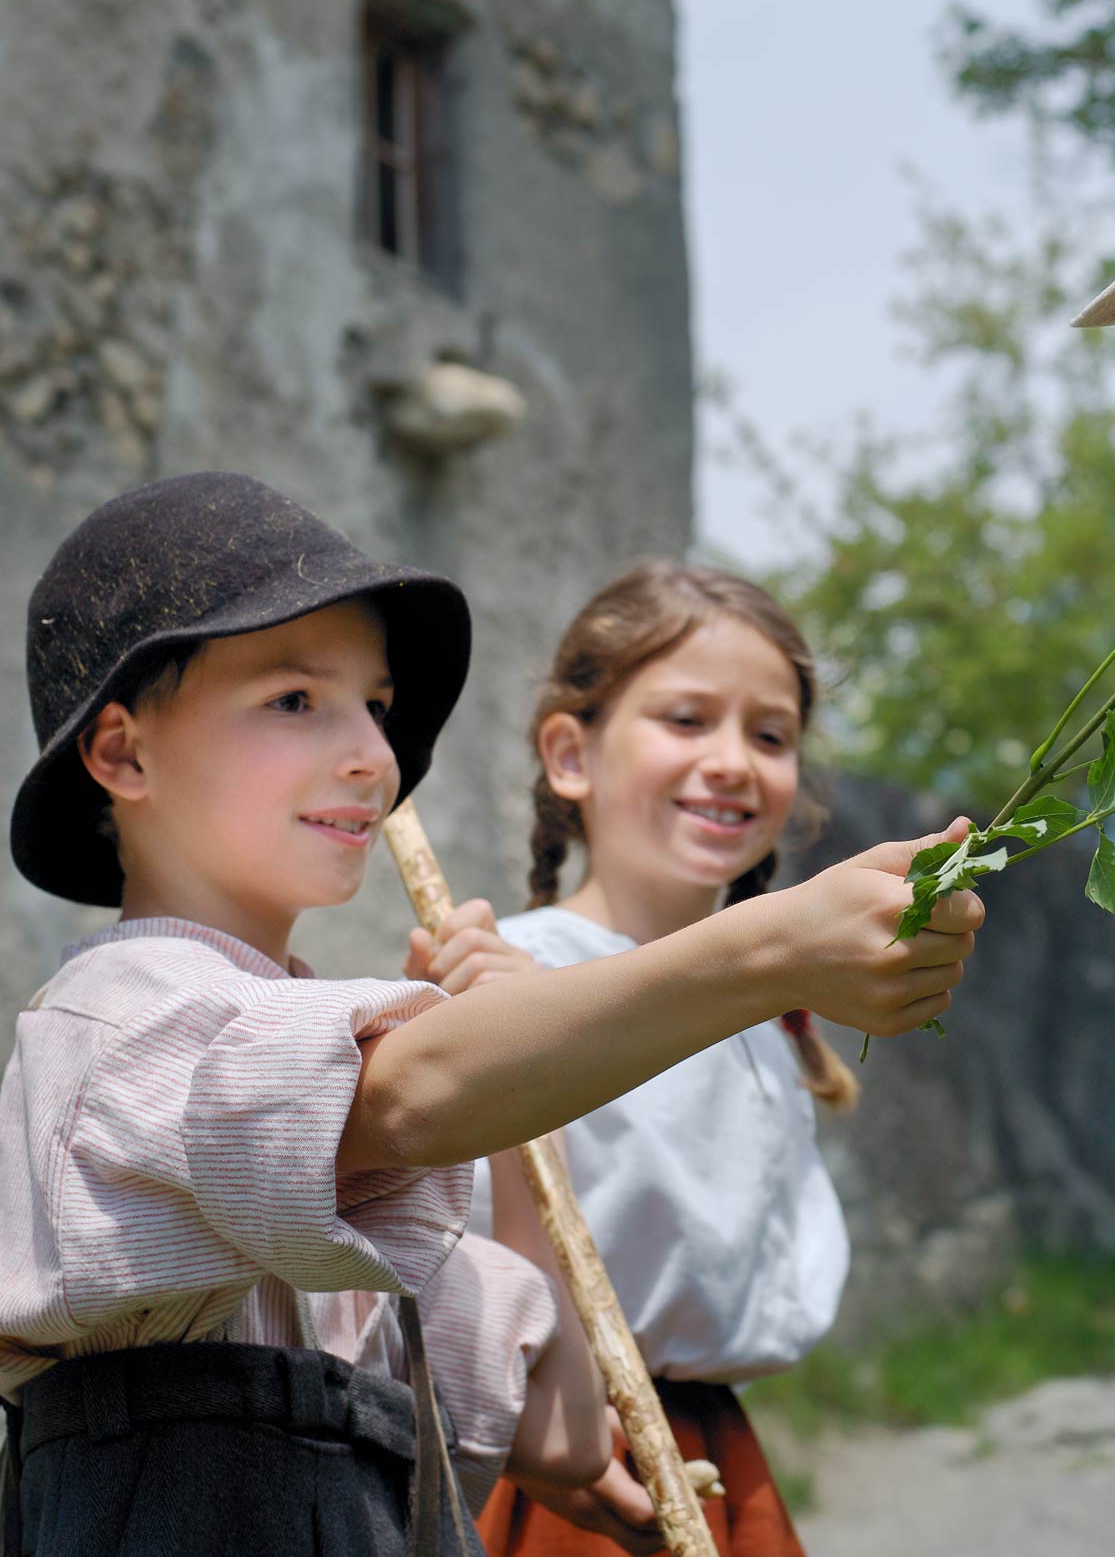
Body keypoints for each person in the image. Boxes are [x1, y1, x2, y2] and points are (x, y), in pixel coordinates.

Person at [0, 478, 980, 1555]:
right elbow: (406, 1096)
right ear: (122, 753)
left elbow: (562, 1426)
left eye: (377, 708)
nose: (372, 758)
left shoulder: (332, 1078)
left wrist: (518, 1113)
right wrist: (769, 949)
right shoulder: (118, 1021)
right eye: (296, 700)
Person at [404, 565, 857, 1557]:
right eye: (687, 720)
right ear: (570, 753)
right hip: (557, 1458)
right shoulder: (519, 981)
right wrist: (503, 1037)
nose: (733, 761)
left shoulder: (757, 1006)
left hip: (710, 1450)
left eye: (770, 734)